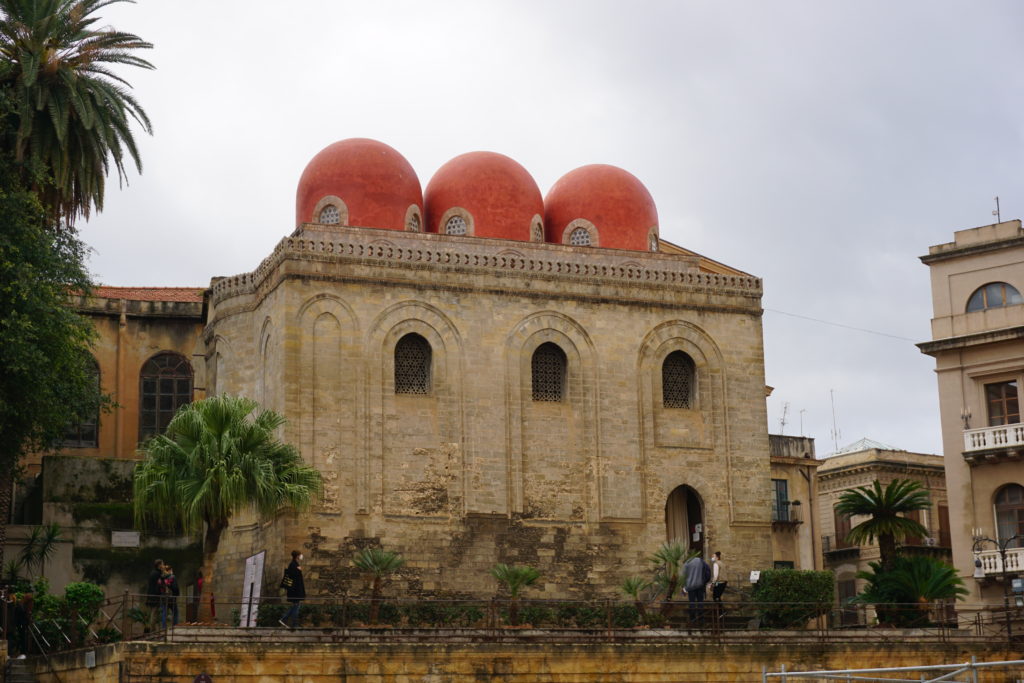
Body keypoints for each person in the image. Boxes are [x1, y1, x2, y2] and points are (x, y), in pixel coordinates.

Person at [682, 552, 712, 629]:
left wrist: (684, 587)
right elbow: (708, 572)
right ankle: (701, 620)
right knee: (700, 602)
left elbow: (683, 575)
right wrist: (705, 581)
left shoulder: (687, 562)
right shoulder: (701, 561)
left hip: (690, 586)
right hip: (700, 585)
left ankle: (692, 619)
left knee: (692, 602)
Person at [279, 550, 306, 628]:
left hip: (295, 591)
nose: (301, 556)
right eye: (300, 554)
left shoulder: (295, 564)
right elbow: (294, 578)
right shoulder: (293, 565)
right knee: (296, 607)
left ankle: (285, 620)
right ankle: (293, 624)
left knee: (295, 606)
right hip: (295, 591)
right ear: (297, 556)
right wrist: (298, 570)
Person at [145, 559, 165, 630]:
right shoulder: (157, 574)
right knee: (154, 613)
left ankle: (151, 629)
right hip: (155, 596)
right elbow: (159, 584)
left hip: (151, 595)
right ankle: (152, 630)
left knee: (152, 613)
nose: (163, 566)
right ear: (159, 565)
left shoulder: (153, 573)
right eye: (162, 564)